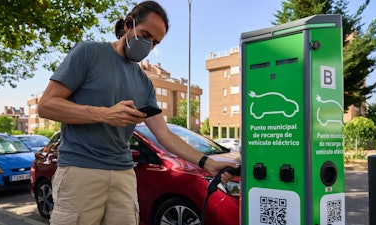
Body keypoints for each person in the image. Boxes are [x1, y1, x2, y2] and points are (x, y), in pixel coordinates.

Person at [38, 1, 238, 225]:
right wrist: (105, 114)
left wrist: (207, 163)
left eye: (155, 42)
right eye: (145, 35)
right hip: (81, 170)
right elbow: (46, 105)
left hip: (124, 175)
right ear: (128, 24)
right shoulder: (89, 52)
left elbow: (165, 135)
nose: (148, 45)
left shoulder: (144, 83)